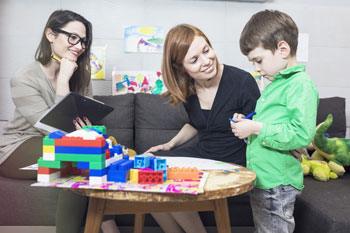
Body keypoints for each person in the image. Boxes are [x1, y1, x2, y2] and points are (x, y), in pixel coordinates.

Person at [0, 10, 119, 233]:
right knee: (78, 159)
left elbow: (83, 126)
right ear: (50, 34)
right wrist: (63, 79)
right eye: (72, 37)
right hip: (19, 146)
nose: (79, 46)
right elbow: (55, 130)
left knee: (106, 150)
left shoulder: (81, 74)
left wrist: (90, 132)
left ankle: (108, 226)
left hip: (62, 143)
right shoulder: (23, 78)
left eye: (83, 41)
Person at [145, 24, 260, 233]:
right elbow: (198, 123)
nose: (207, 62)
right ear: (180, 67)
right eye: (194, 60)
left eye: (206, 51)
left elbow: (260, 125)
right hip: (204, 155)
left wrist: (246, 124)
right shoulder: (189, 87)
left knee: (171, 185)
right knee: (147, 167)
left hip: (234, 159)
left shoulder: (243, 82)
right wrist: (170, 144)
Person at [231, 10, 319, 233]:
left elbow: (301, 134)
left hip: (277, 183)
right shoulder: (275, 85)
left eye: (258, 61)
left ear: (282, 49)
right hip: (265, 179)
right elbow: (272, 129)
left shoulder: (301, 85)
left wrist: (256, 127)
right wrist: (248, 126)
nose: (256, 69)